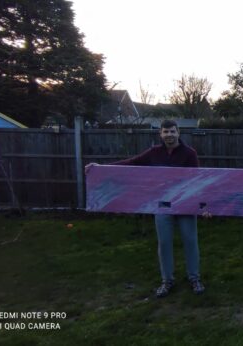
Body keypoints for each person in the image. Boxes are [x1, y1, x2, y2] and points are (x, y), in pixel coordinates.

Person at [85, 120, 205, 298]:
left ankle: (194, 278)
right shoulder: (154, 153)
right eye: (166, 132)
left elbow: (197, 181)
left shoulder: (189, 154)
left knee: (190, 241)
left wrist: (202, 206)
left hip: (185, 204)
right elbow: (131, 163)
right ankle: (167, 280)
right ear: (160, 134)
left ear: (178, 133)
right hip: (161, 204)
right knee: (164, 243)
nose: (169, 135)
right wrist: (101, 168)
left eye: (172, 131)